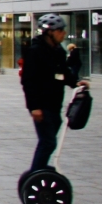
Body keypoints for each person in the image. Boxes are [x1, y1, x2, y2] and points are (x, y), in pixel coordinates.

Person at [21, 14, 81, 173]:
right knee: (48, 142)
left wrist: (76, 82)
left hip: (54, 104)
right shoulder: (35, 51)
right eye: (60, 30)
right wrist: (34, 107)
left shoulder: (58, 51)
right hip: (41, 105)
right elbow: (28, 81)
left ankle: (38, 171)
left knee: (48, 141)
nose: (64, 34)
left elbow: (64, 72)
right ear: (49, 32)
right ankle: (35, 173)